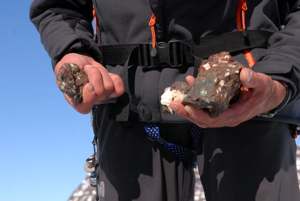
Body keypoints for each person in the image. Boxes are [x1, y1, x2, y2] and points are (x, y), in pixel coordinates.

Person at [30, 0, 300, 200]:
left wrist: (280, 76)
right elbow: (57, 7)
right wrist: (72, 49)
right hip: (127, 106)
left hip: (247, 97)